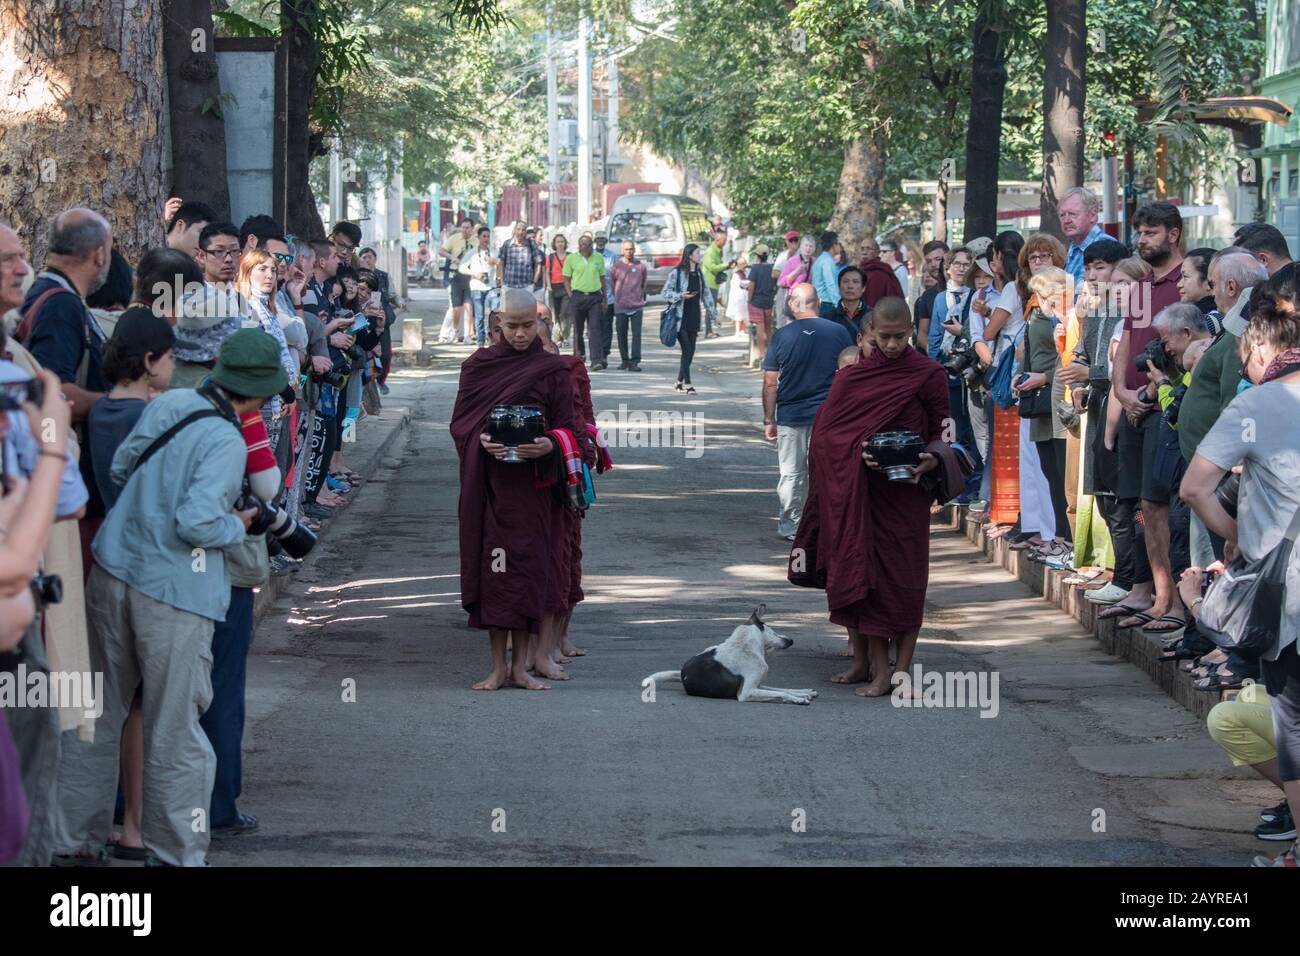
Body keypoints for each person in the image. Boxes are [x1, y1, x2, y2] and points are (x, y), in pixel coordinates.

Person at [55, 329, 286, 867]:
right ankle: (175, 852)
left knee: (96, 715)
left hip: (113, 570)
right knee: (174, 728)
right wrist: (242, 521)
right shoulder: (228, 441)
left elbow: (119, 467)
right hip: (176, 594)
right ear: (258, 395)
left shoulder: (171, 403)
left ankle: (70, 843)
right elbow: (198, 523)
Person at [1180, 262, 1300, 867]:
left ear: (1258, 341)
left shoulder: (1257, 403)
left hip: (1291, 603)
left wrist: (1240, 542)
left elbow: (1195, 488)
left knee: (1292, 722)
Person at [788, 297, 948, 698]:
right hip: (862, 494)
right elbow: (826, 437)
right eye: (884, 337)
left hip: (907, 493)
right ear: (870, 334)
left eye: (900, 337)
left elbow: (944, 429)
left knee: (908, 581)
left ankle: (904, 671)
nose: (892, 345)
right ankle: (878, 670)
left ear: (911, 331)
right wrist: (854, 451)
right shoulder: (851, 378)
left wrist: (932, 458)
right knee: (869, 580)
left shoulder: (928, 373)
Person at [450, 288, 591, 691]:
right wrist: (481, 440)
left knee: (530, 575)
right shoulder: (479, 367)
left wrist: (550, 443)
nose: (519, 334)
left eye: (528, 325)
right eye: (512, 326)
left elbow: (571, 428)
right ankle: (498, 667)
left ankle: (522, 667)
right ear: (497, 322)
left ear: (539, 323)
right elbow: (461, 423)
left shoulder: (552, 370)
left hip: (536, 492)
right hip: (493, 492)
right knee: (497, 575)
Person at [1106, 201, 1186, 633]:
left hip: (1162, 408)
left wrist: (1150, 391)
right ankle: (1156, 595)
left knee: (1161, 504)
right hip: (1134, 404)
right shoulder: (1138, 287)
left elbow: (1185, 349)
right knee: (1143, 505)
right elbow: (1125, 346)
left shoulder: (1185, 284)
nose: (1141, 240)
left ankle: (1174, 600)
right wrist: (1122, 391)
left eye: (1150, 232)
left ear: (1173, 234)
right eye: (1139, 232)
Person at [762, 283, 854, 541]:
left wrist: (770, 419)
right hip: (829, 415)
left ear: (794, 304)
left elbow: (770, 381)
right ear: (817, 302)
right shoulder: (839, 333)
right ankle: (827, 523)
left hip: (791, 416)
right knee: (827, 470)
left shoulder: (782, 335)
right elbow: (849, 372)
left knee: (792, 474)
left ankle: (792, 526)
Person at [1019, 267, 1074, 559]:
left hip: (1059, 400)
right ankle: (1060, 538)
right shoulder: (1037, 314)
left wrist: (1046, 377)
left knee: (1062, 473)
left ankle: (1066, 540)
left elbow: (1066, 356)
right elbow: (1030, 352)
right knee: (1050, 471)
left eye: (1042, 293)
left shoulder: (1068, 316)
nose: (1037, 299)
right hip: (1040, 402)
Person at [661, 243, 715, 394]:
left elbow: (706, 295)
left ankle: (678, 382)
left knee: (690, 352)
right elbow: (665, 292)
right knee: (687, 349)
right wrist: (680, 296)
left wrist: (713, 314)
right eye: (698, 253)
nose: (700, 256)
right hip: (679, 318)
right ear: (690, 255)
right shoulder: (677, 273)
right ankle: (689, 384)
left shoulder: (699, 274)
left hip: (694, 316)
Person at [562, 233, 608, 370]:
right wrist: (571, 294)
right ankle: (578, 357)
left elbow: (602, 279)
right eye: (582, 244)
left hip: (594, 297)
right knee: (578, 329)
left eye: (588, 244)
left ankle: (596, 360)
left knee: (595, 329)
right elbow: (566, 278)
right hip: (577, 296)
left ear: (591, 245)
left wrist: (605, 297)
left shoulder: (598, 258)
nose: (585, 247)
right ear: (579, 245)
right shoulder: (571, 258)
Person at [1057, 186, 1106, 288]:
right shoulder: (1074, 247)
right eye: (1062, 215)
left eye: (1072, 214)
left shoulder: (1107, 246)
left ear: (1092, 215)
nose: (1066, 220)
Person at [610, 239, 647, 371]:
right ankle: (624, 360)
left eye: (631, 249)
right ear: (622, 251)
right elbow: (612, 283)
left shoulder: (640, 266)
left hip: (637, 306)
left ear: (634, 250)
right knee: (621, 334)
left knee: (636, 334)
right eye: (626, 249)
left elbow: (643, 284)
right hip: (621, 305)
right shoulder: (616, 266)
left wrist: (639, 297)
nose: (629, 252)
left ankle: (635, 361)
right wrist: (619, 297)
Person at [440, 217, 475, 342]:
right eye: (463, 227)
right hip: (455, 277)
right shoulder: (454, 239)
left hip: (470, 277)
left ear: (472, 228)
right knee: (455, 308)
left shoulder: (476, 241)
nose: (465, 230)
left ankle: (466, 335)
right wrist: (451, 257)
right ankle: (450, 333)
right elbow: (442, 250)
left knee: (469, 306)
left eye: (467, 228)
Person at [912, 239, 950, 348]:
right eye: (929, 261)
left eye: (938, 259)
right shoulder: (927, 295)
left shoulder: (967, 290)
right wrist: (934, 356)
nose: (933, 264)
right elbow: (922, 335)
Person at [700, 225, 730, 338]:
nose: (725, 243)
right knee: (710, 307)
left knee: (712, 308)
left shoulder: (717, 250)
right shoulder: (710, 252)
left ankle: (711, 330)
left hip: (714, 283)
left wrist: (726, 266)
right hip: (708, 283)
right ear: (717, 240)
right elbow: (712, 267)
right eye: (724, 241)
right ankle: (708, 331)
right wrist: (725, 265)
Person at [857, 236, 905, 306]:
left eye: (868, 249)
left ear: (877, 252)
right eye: (862, 249)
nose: (864, 252)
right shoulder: (858, 272)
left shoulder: (882, 272)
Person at [497, 220, 543, 293]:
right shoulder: (507, 244)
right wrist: (502, 284)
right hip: (509, 286)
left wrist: (534, 283)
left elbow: (538, 263)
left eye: (523, 230)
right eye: (518, 229)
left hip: (526, 287)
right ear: (514, 230)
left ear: (526, 232)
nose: (520, 232)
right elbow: (501, 263)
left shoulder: (531, 244)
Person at [829, 266, 870, 341]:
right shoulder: (828, 318)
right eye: (845, 281)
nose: (850, 286)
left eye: (855, 282)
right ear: (839, 286)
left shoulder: (872, 316)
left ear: (863, 288)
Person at [544, 233, 570, 347]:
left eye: (562, 241)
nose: (560, 244)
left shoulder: (570, 256)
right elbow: (547, 272)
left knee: (564, 313)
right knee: (555, 314)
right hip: (554, 288)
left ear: (565, 243)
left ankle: (565, 335)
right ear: (554, 244)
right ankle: (557, 338)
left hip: (566, 287)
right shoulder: (550, 257)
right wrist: (548, 286)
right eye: (558, 242)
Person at [811, 231, 842, 320]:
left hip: (818, 303)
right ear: (833, 245)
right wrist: (838, 304)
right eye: (838, 243)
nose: (839, 246)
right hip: (827, 304)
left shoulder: (820, 259)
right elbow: (831, 284)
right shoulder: (828, 261)